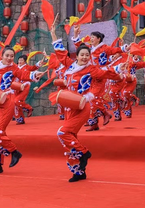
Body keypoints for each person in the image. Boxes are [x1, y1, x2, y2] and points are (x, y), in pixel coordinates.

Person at [0, 35, 45, 175]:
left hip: (7, 101)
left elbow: (24, 75)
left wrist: (35, 75)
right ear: (2, 56)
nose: (9, 58)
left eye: (12, 56)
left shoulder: (14, 68)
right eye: (7, 55)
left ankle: (14, 151)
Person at [52, 39, 122, 182]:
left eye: (87, 55)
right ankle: (78, 172)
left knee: (63, 133)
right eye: (82, 55)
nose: (84, 57)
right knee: (71, 139)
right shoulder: (70, 66)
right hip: (69, 106)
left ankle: (84, 153)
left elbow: (105, 73)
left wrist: (119, 71)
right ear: (77, 56)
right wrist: (54, 36)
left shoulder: (91, 69)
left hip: (82, 106)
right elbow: (61, 54)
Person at [72, 25, 122, 131]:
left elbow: (114, 50)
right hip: (91, 75)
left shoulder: (104, 48)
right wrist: (76, 34)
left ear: (98, 39)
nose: (91, 39)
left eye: (93, 37)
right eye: (90, 37)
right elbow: (80, 46)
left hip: (101, 75)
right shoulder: (90, 49)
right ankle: (94, 122)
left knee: (93, 97)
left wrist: (125, 48)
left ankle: (104, 113)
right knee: (89, 98)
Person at [13, 55, 38, 125]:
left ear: (25, 61)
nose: (20, 61)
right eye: (19, 60)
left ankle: (28, 108)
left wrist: (40, 63)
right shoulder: (15, 67)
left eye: (21, 60)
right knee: (15, 103)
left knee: (17, 100)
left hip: (25, 85)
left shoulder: (27, 67)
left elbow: (33, 68)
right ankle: (20, 118)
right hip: (16, 86)